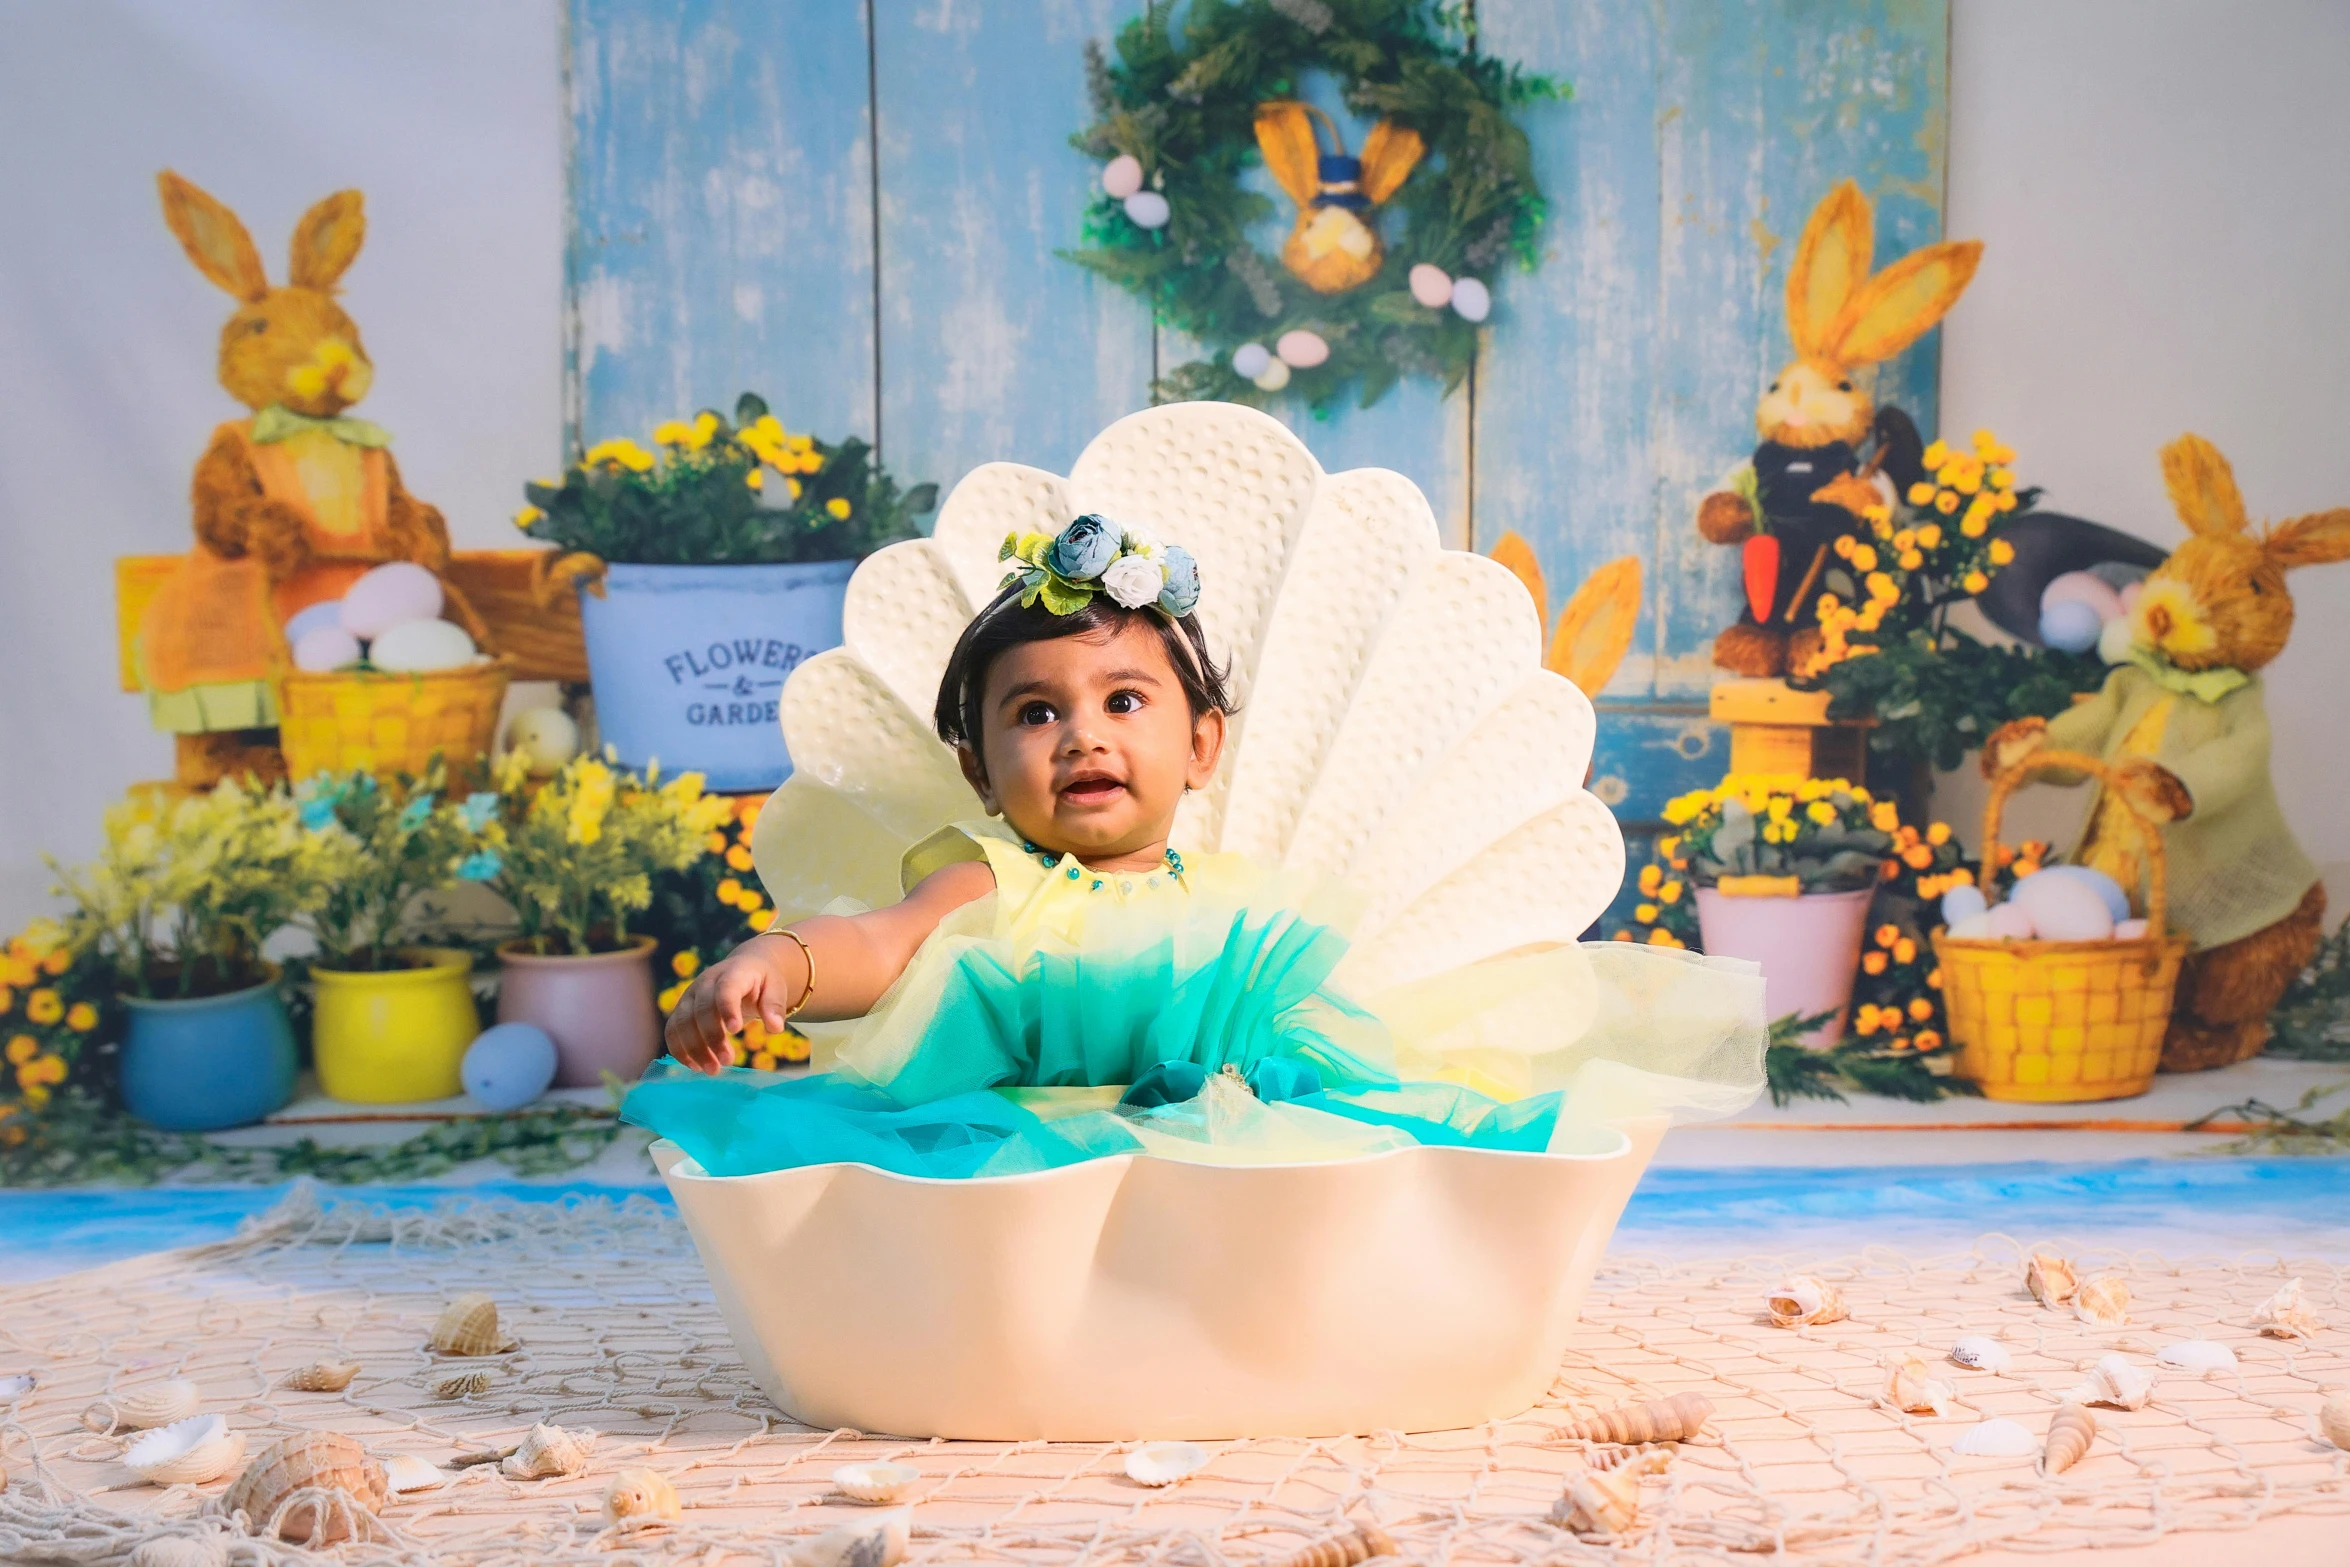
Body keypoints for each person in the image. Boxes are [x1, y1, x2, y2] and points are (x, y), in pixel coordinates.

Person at [623, 518, 1762, 1177]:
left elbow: (1310, 1047)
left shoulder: (1242, 915)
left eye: (1125, 700)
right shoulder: (996, 875)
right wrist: (777, 961)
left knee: (1394, 1143)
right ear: (979, 767)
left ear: (1200, 742)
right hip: (1021, 1145)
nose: (1081, 735)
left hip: (1231, 1147)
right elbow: (879, 939)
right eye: (1033, 713)